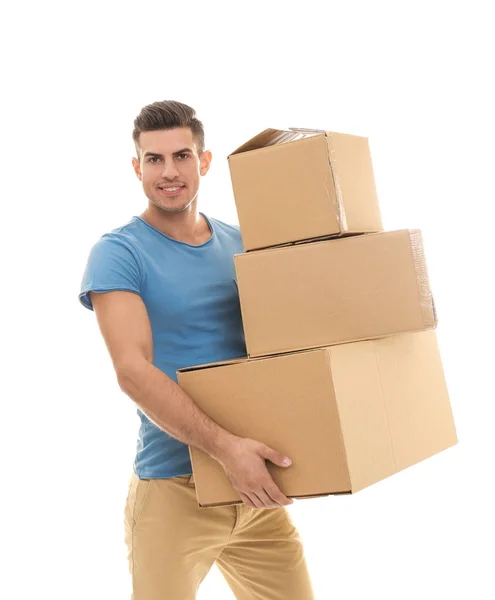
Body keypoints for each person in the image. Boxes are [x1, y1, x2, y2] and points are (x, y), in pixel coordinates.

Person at [78, 100, 315, 600]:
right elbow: (131, 371)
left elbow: (279, 348)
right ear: (137, 167)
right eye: (154, 159)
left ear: (203, 162)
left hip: (255, 491)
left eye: (182, 156)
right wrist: (227, 450)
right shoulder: (119, 253)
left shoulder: (241, 243)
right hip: (175, 490)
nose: (169, 172)